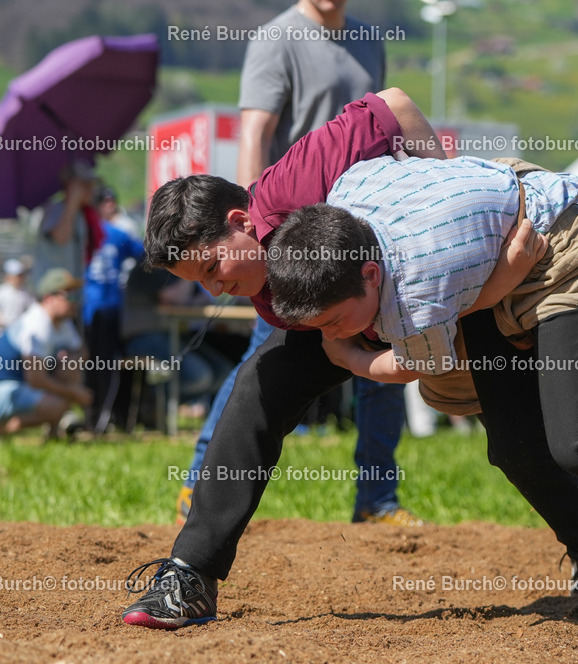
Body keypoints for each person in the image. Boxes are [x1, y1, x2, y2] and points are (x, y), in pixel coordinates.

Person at [121, 91, 578, 631]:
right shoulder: (277, 283)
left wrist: (440, 190)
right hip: (385, 295)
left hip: (502, 255)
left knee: (564, 439)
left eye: (215, 265)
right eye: (199, 280)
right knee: (261, 386)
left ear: (244, 222)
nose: (216, 287)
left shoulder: (297, 184)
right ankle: (190, 572)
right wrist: (339, 343)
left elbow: (391, 104)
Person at [176, 0, 417, 527]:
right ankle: (200, 483)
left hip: (357, 239)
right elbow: (256, 134)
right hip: (286, 240)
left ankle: (377, 499)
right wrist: (255, 240)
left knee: (382, 354)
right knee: (261, 372)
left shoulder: (368, 38)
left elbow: (382, 122)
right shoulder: (277, 38)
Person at [0, 269, 92, 443]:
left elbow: (81, 352)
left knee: (70, 365)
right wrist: (72, 392)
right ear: (49, 298)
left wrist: (69, 361)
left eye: (76, 296)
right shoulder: (36, 325)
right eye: (69, 297)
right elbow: (36, 379)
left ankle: (54, 433)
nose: (75, 302)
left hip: (18, 385)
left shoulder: (62, 322)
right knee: (57, 405)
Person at [121, 264, 233, 416]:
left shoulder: (176, 267)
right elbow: (174, 297)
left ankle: (154, 404)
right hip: (143, 338)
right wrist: (193, 269)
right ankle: (148, 402)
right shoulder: (149, 264)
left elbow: (204, 299)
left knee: (224, 373)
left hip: (175, 335)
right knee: (199, 376)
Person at [83, 218, 145, 430]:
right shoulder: (86, 228)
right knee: (94, 365)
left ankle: (100, 418)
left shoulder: (113, 233)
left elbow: (144, 254)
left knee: (104, 366)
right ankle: (95, 417)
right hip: (90, 309)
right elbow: (145, 254)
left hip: (104, 310)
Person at [35, 160, 102, 284]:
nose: (92, 190)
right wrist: (72, 201)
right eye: (86, 185)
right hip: (52, 292)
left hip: (70, 290)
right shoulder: (55, 210)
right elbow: (61, 238)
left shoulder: (80, 215)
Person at [0, 259, 36, 333]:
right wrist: (0, 324)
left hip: (20, 332)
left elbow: (32, 310)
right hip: (2, 332)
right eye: (17, 276)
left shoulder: (27, 293)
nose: (19, 278)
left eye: (20, 276)